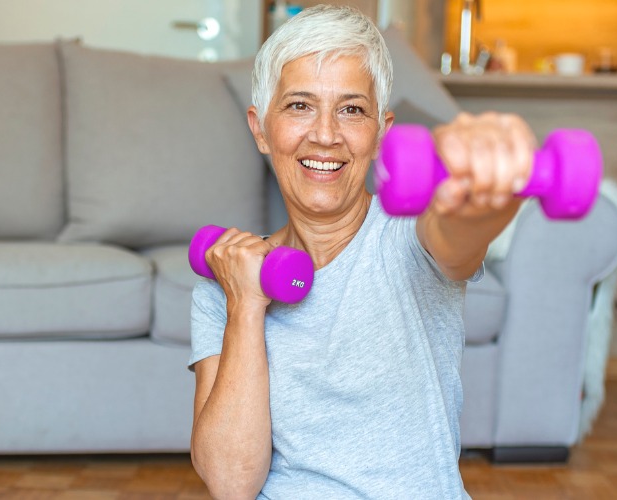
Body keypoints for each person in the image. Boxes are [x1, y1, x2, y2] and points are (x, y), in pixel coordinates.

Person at [188, 5, 536, 498]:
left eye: (351, 109)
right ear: (261, 129)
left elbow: (461, 232)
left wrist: (490, 188)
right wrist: (245, 306)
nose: (326, 134)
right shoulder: (226, 276)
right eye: (299, 106)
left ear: (381, 132)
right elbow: (230, 483)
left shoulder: (409, 237)